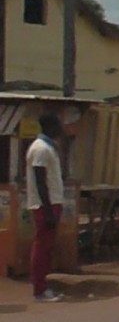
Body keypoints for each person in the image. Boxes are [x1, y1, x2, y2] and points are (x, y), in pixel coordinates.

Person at [26, 113, 66, 303]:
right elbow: (40, 180)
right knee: (42, 247)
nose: (61, 128)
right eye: (58, 124)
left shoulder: (49, 147)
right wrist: (48, 209)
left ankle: (43, 286)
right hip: (45, 205)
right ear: (50, 126)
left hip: (52, 203)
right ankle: (39, 289)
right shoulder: (41, 148)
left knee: (47, 247)